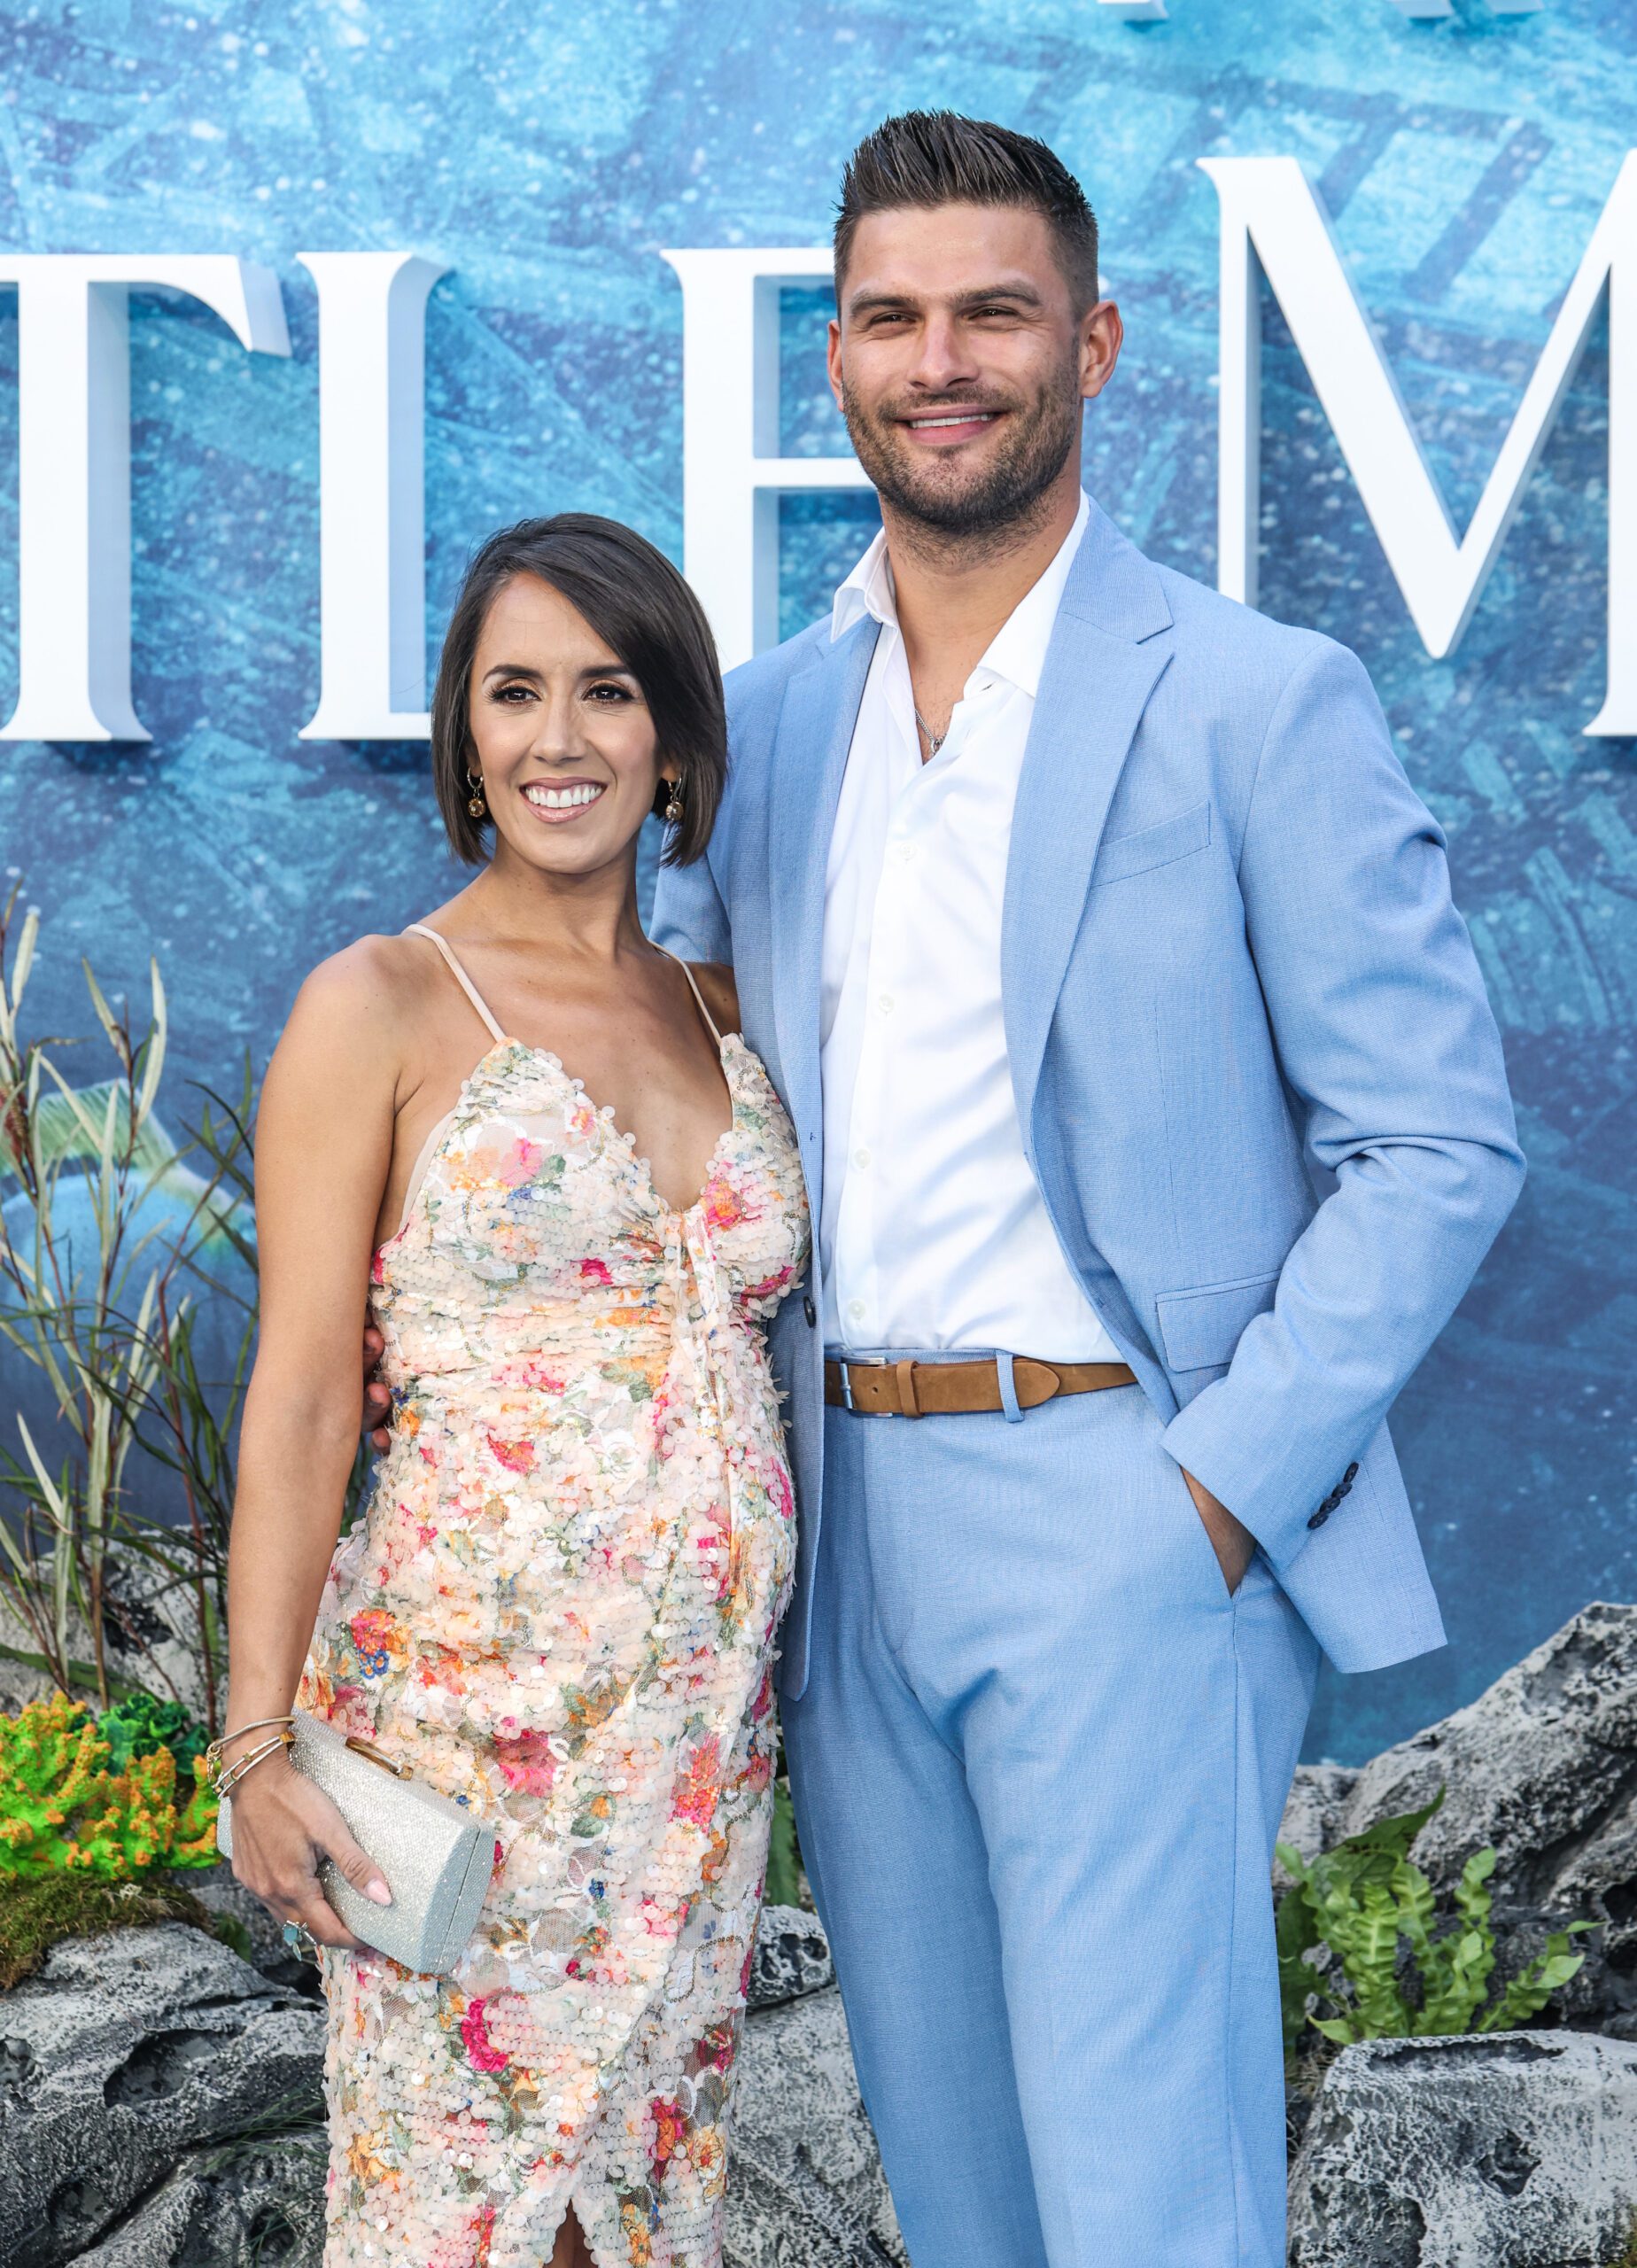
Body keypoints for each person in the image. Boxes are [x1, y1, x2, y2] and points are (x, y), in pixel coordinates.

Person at [648, 113, 1525, 2268]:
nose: (939, 361)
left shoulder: (1256, 700)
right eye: (890, 318)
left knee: (1149, 2210)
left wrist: (1214, 1492)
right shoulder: (763, 730)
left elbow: (1436, 1139)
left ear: (1096, 342)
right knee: (965, 2204)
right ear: (835, 357)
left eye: (994, 313)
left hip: (1122, 1505)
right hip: (845, 1533)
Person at [221, 513, 809, 2268]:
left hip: (695, 1757)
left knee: (638, 2220)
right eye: (515, 691)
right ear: (464, 737)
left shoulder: (728, 1009)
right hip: (468, 1746)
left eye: (608, 690)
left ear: (674, 737)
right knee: (460, 2223)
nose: (562, 736)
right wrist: (253, 1742)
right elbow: (303, 1398)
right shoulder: (383, 1002)